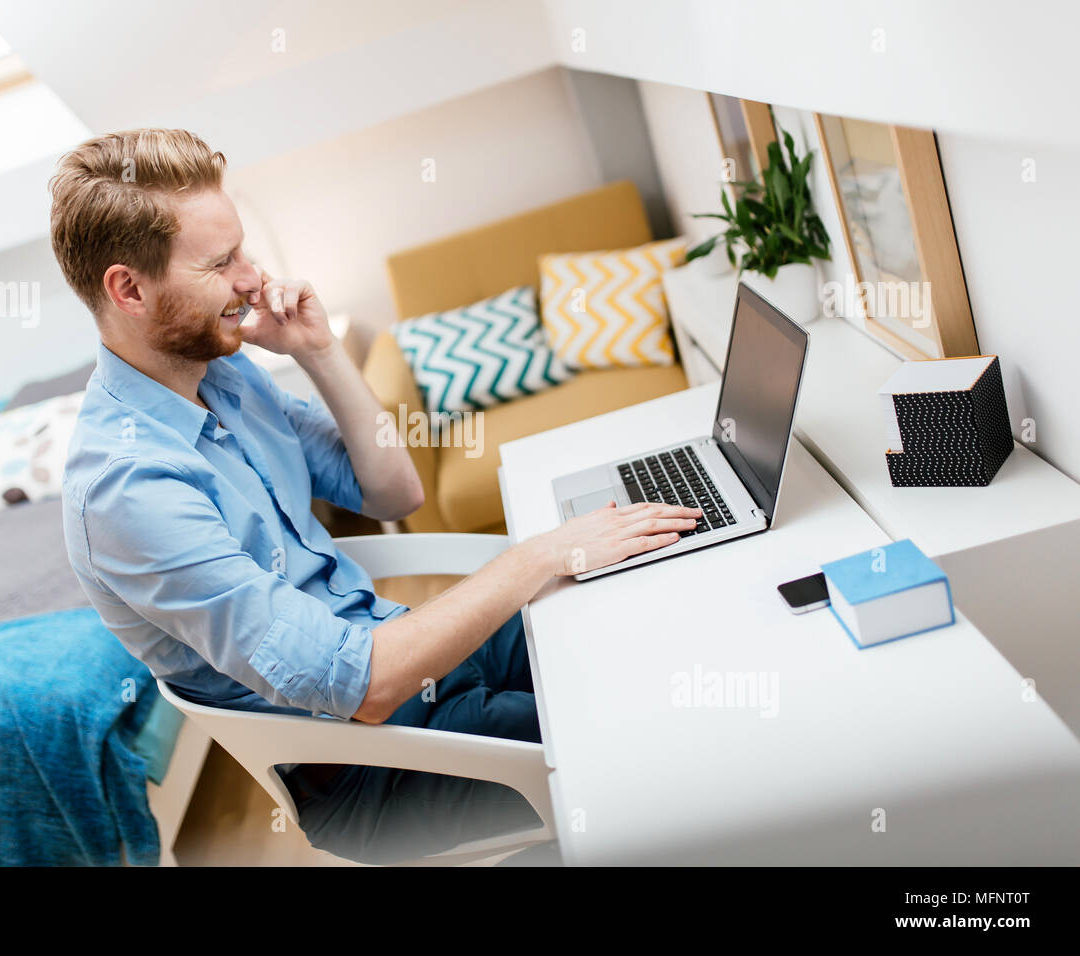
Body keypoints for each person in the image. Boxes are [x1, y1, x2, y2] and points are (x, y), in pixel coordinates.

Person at [51, 128, 701, 863]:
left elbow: (394, 486)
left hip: (418, 657)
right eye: (221, 261)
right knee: (649, 732)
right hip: (376, 759)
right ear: (128, 289)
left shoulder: (223, 377)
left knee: (641, 622)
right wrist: (538, 557)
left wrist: (319, 351)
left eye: (243, 250)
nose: (251, 277)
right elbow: (365, 686)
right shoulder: (129, 494)